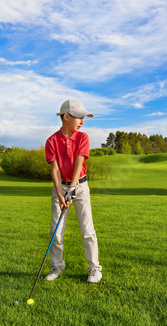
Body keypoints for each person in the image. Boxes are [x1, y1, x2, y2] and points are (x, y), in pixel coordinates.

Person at [44, 99, 102, 283]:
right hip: (60, 187)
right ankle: (56, 267)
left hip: (81, 187)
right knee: (56, 231)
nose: (82, 122)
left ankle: (94, 269)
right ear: (66, 117)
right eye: (79, 118)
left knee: (87, 230)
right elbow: (54, 168)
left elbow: (79, 162)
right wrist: (60, 192)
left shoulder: (83, 137)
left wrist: (73, 187)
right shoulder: (52, 141)